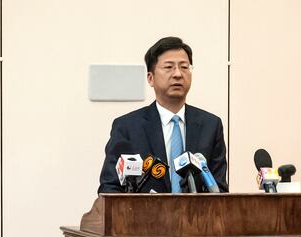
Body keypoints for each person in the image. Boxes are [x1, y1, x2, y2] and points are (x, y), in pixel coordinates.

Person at [97, 36, 228, 194]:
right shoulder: (127, 127)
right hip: (142, 218)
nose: (178, 74)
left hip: (196, 218)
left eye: (184, 67)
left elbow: (219, 189)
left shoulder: (210, 126)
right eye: (169, 67)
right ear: (150, 78)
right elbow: (110, 188)